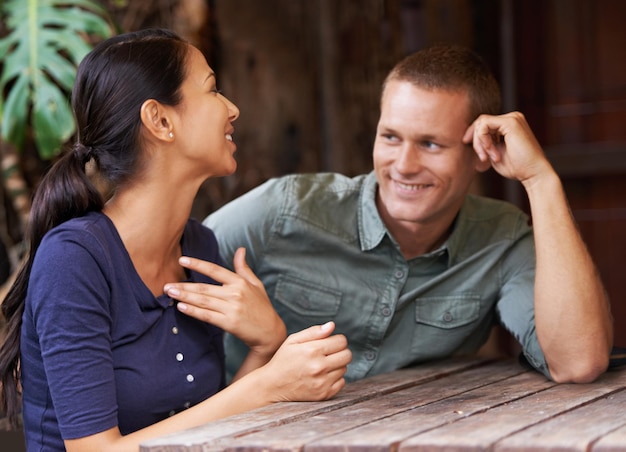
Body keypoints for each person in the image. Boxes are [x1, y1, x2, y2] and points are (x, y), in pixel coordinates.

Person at [0, 28, 351, 451]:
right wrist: (267, 386)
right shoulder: (74, 260)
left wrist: (267, 343)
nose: (233, 108)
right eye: (213, 90)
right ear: (161, 121)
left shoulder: (198, 247)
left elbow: (206, 428)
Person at [191, 44, 613, 384]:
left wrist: (541, 179)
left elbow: (577, 362)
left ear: (483, 154)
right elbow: (162, 290)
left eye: (431, 144)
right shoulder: (281, 212)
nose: (404, 165)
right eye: (391, 137)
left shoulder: (501, 240)